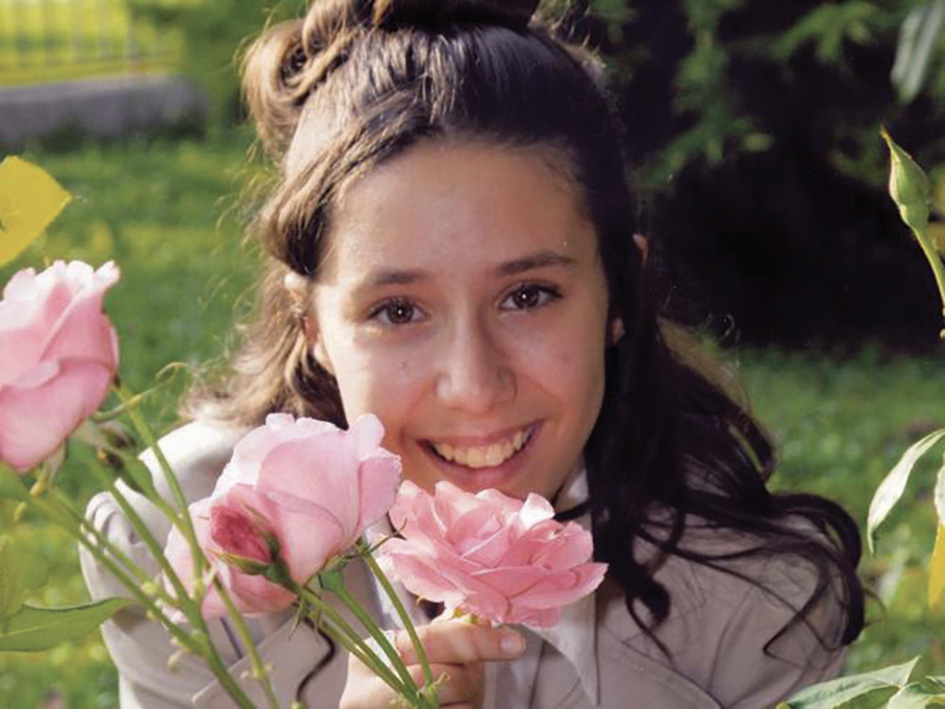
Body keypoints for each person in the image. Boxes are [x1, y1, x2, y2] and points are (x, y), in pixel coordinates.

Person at [80, 1, 865, 707]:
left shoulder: (755, 606)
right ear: (311, 324)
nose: (475, 386)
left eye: (527, 295)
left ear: (617, 294)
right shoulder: (188, 545)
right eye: (397, 310)